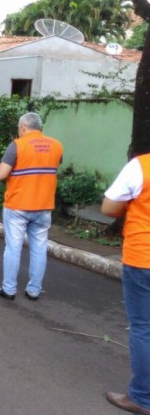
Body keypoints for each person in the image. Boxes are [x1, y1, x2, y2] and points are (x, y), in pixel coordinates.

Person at [0, 112, 63, 301]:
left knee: (13, 247)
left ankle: (9, 289)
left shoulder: (17, 145)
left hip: (18, 205)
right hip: (44, 205)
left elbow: (1, 175)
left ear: (23, 127)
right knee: (39, 248)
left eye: (19, 129)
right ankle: (34, 290)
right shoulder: (57, 146)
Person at [102, 153, 150, 415]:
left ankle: (142, 396)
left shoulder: (141, 166)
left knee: (144, 327)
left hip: (144, 257)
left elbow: (109, 208)